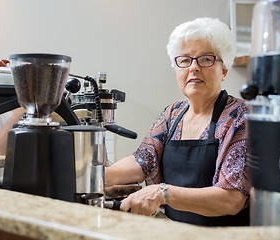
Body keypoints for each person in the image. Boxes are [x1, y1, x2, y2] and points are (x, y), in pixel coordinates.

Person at [105, 17, 250, 226]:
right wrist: (96, 177)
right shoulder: (172, 113)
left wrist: (162, 193)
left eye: (206, 59)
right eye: (184, 60)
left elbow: (231, 199)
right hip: (175, 232)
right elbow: (143, 160)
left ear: (224, 70)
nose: (193, 68)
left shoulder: (239, 117)